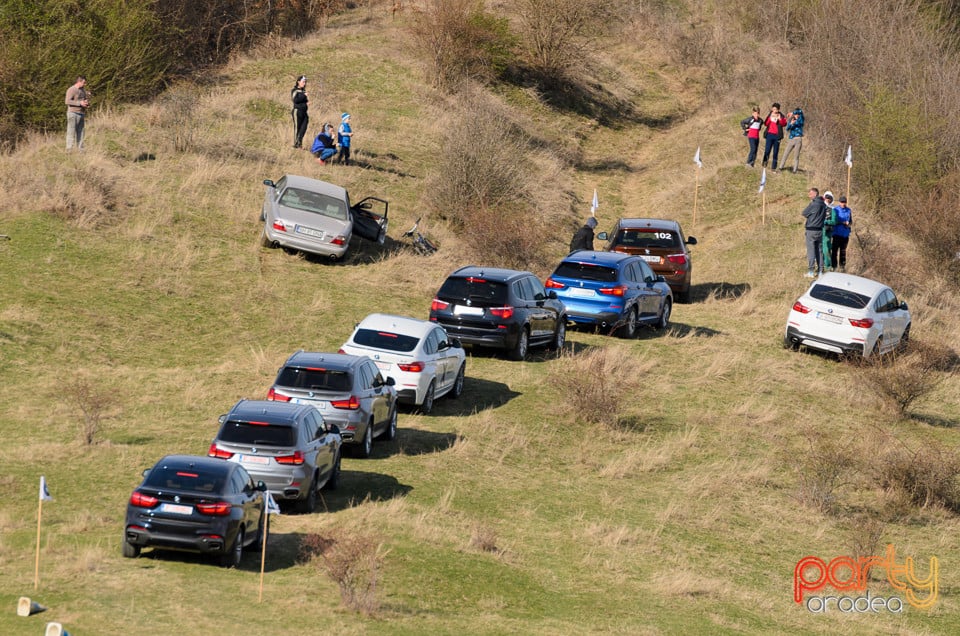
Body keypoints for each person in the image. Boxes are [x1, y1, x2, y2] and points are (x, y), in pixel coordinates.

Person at [801, 187, 827, 278]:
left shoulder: (813, 204)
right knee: (819, 251)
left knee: (811, 251)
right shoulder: (824, 205)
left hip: (811, 230)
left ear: (815, 194)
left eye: (810, 193)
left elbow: (804, 213)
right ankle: (820, 271)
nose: (809, 195)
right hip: (820, 230)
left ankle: (811, 271)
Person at [65, 75, 90, 151]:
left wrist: (86, 103)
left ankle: (81, 150)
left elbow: (84, 100)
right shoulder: (71, 90)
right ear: (79, 81)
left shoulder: (83, 90)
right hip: (73, 113)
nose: (85, 84)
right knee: (71, 132)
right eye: (84, 82)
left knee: (81, 132)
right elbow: (67, 101)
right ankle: (69, 150)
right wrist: (80, 103)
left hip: (81, 113)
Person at [761, 103, 787, 169]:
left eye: (776, 109)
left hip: (777, 136)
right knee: (767, 150)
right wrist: (770, 118)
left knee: (775, 152)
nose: (774, 110)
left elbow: (784, 124)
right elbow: (766, 123)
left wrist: (779, 119)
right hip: (769, 135)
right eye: (773, 108)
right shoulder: (770, 114)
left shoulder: (781, 115)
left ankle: (773, 167)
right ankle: (764, 164)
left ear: (778, 109)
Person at [779, 107, 804, 173]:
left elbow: (801, 113)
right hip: (791, 139)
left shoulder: (800, 120)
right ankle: (781, 167)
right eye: (796, 114)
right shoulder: (792, 120)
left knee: (796, 155)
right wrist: (791, 123)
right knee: (785, 153)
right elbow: (787, 128)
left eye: (797, 114)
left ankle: (794, 170)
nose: (797, 115)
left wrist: (793, 112)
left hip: (798, 139)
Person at [831, 196, 853, 272]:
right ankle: (834, 266)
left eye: (844, 202)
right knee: (834, 251)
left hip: (845, 234)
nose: (843, 204)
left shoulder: (849, 210)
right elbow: (834, 221)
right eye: (842, 202)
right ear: (839, 202)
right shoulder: (835, 210)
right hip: (836, 233)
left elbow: (850, 221)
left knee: (843, 251)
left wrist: (849, 224)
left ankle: (842, 266)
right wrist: (842, 222)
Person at [291, 75, 309, 148]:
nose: (304, 83)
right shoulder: (295, 90)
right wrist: (303, 95)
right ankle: (296, 144)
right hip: (297, 111)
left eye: (305, 82)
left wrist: (307, 102)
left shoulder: (303, 91)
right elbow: (295, 100)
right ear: (298, 82)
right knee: (297, 127)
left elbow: (304, 100)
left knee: (303, 128)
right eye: (303, 82)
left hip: (304, 112)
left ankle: (299, 142)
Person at [821, 191, 836, 271]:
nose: (827, 199)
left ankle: (828, 266)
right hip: (819, 230)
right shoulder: (821, 206)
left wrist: (826, 221)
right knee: (819, 248)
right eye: (826, 197)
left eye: (829, 198)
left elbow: (834, 221)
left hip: (827, 231)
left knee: (826, 249)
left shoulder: (832, 209)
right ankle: (820, 265)